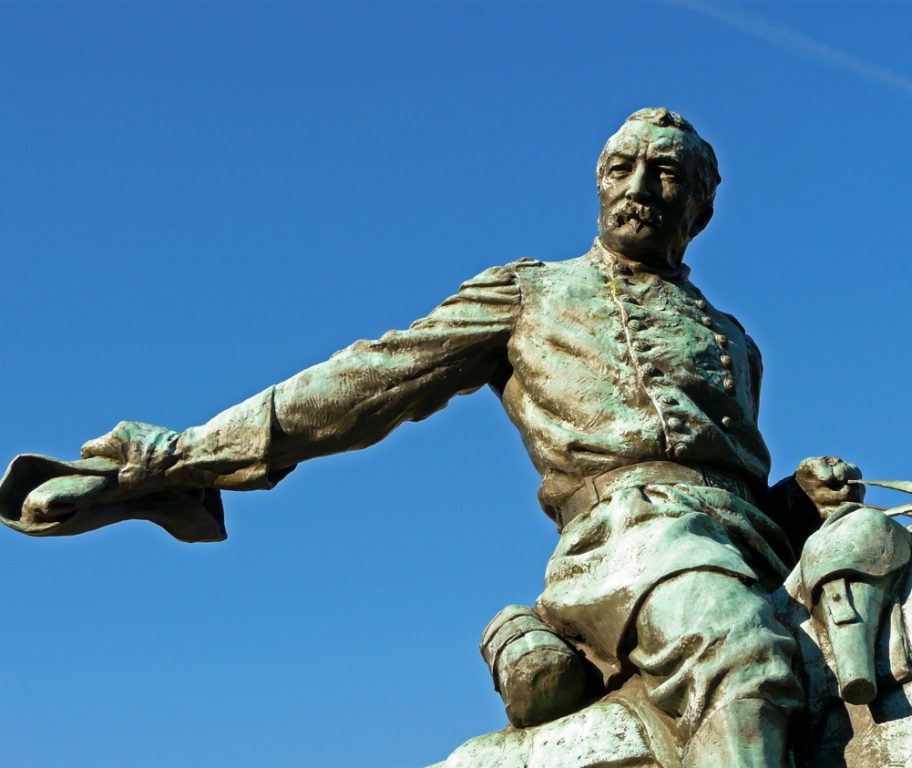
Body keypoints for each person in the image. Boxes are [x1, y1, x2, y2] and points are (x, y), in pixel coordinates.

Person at [80, 108, 862, 767]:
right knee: (743, 657)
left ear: (700, 206)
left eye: (665, 174)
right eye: (621, 169)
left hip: (751, 551)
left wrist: (798, 501)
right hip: (629, 542)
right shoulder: (532, 292)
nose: (638, 189)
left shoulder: (737, 341)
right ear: (598, 183)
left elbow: (721, 487)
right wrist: (189, 452)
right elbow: (369, 381)